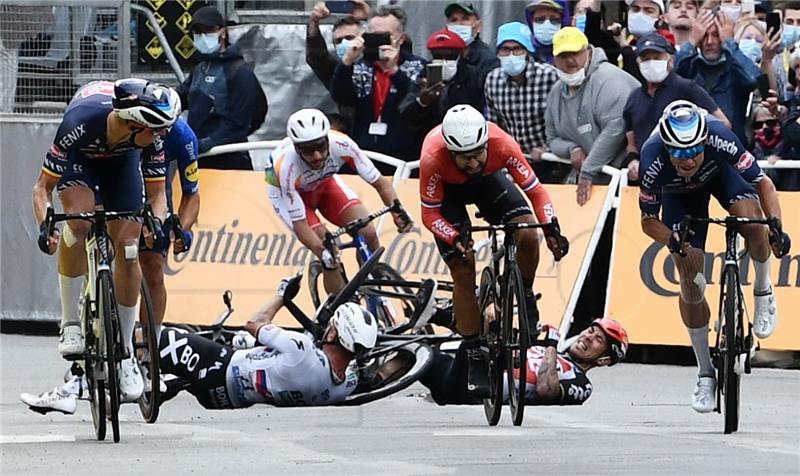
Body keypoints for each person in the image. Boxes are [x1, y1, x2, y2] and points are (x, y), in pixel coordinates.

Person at [28, 79, 181, 408]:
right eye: (155, 130)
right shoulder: (79, 122)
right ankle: (70, 324)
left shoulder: (148, 138)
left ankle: (125, 352)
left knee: (128, 249)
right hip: (81, 159)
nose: (160, 137)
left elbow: (157, 196)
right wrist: (45, 225)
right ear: (132, 122)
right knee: (78, 222)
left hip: (121, 165)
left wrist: (156, 221)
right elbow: (42, 188)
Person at [638, 100, 790, 413]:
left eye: (693, 150)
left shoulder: (719, 137)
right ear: (666, 147)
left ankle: (763, 289)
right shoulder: (652, 157)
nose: (687, 160)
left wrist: (775, 224)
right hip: (679, 196)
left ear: (704, 141)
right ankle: (705, 372)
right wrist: (673, 239)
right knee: (690, 274)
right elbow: (648, 221)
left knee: (753, 221)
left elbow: (763, 182)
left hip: (720, 174)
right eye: (678, 153)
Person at [418, 104, 569, 396]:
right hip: (448, 195)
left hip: (488, 183)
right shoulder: (432, 158)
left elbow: (537, 192)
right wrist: (452, 236)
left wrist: (550, 229)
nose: (473, 162)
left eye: (478, 153)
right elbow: (430, 215)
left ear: (486, 143)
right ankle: (474, 351)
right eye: (465, 157)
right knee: (463, 266)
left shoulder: (503, 145)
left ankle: (524, 293)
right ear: (450, 151)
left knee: (526, 231)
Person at [266, 108, 413, 296]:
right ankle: (340, 309)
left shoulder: (342, 144)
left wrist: (397, 211)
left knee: (367, 232)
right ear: (297, 148)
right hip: (290, 194)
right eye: (309, 150)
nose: (318, 155)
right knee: (328, 251)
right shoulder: (285, 168)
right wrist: (322, 252)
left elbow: (381, 184)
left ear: (327, 139)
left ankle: (372, 288)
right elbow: (301, 225)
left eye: (320, 146)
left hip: (324, 184)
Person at [421, 318, 628, 406]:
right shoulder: (547, 351)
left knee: (479, 331)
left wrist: (552, 346)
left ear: (603, 360)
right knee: (415, 354)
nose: (588, 337)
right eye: (591, 331)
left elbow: (546, 389)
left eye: (598, 340)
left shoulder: (581, 383)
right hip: (456, 371)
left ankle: (440, 315)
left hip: (476, 388)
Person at [545, 27, 639, 205]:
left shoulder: (610, 80)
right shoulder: (555, 93)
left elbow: (615, 128)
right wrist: (571, 148)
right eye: (563, 56)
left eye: (576, 53)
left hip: (625, 179)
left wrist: (587, 170)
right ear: (555, 59)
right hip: (595, 183)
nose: (570, 60)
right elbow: (552, 139)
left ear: (588, 52)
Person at [329, 5, 426, 173]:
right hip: (365, 157)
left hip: (404, 161)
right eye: (374, 36)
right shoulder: (361, 67)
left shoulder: (418, 66)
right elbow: (341, 96)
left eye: (385, 36)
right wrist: (346, 63)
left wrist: (394, 71)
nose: (379, 41)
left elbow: (417, 106)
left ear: (401, 39)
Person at [623, 33, 730, 182]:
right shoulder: (633, 98)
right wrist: (633, 161)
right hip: (650, 179)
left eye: (656, 57)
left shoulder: (687, 88)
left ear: (670, 60)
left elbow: (723, 124)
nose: (651, 63)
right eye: (646, 59)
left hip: (688, 178)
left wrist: (696, 155)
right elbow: (631, 143)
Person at [177, 5, 267, 170]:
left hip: (230, 163)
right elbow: (178, 99)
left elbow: (242, 123)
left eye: (209, 29)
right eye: (197, 32)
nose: (203, 36)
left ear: (223, 32)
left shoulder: (240, 73)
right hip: (198, 161)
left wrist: (209, 142)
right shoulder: (200, 69)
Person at [139, 116, 201, 329]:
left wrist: (182, 231)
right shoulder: (126, 126)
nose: (163, 132)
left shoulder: (183, 136)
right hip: (120, 173)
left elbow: (191, 193)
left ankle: (150, 344)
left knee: (153, 266)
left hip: (155, 187)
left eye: (167, 127)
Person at [484, 21, 562, 183]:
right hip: (514, 161)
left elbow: (565, 120)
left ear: (527, 52)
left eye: (517, 49)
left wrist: (547, 148)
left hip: (551, 160)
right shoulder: (492, 80)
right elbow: (494, 125)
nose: (511, 55)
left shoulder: (550, 76)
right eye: (505, 50)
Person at [674, 6, 760, 143]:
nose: (709, 42)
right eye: (704, 36)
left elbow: (753, 78)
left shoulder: (734, 68)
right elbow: (668, 77)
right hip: (694, 148)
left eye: (716, 35)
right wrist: (691, 41)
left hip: (731, 149)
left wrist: (729, 42)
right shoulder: (690, 67)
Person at [398, 28, 485, 135]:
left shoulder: (473, 76)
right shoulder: (423, 75)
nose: (444, 61)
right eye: (437, 56)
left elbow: (481, 113)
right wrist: (421, 102)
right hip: (429, 138)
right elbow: (405, 115)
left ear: (461, 55)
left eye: (450, 57)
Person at [306, 1, 370, 130]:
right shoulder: (336, 70)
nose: (345, 43)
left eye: (350, 37)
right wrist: (314, 22)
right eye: (338, 41)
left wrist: (370, 18)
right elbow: (317, 58)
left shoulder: (382, 63)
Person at [443, 2, 499, 80]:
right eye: (454, 20)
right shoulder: (443, 56)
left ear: (478, 26)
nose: (459, 24)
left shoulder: (488, 61)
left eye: (466, 19)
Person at [526, 0, 570, 65]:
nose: (546, 24)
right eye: (540, 19)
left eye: (554, 20)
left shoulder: (573, 53)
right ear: (531, 22)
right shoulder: (522, 52)